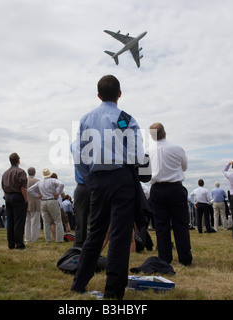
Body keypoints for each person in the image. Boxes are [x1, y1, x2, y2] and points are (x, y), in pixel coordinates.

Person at [71, 75, 146, 299]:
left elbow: (79, 154)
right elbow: (138, 154)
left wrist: (89, 178)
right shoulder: (124, 118)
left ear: (98, 95)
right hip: (121, 178)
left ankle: (79, 284)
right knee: (120, 235)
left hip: (97, 179)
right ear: (120, 94)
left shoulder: (85, 119)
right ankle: (113, 292)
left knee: (94, 233)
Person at [147, 122, 193, 266]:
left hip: (156, 189)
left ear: (152, 136)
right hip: (175, 188)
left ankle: (164, 258)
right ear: (165, 132)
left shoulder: (147, 152)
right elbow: (184, 167)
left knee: (161, 226)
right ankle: (185, 258)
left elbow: (144, 174)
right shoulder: (177, 148)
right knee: (181, 224)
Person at [28, 169, 65, 243]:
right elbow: (61, 184)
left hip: (43, 202)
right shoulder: (53, 180)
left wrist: (38, 195)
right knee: (57, 221)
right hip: (52, 201)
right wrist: (57, 192)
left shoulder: (40, 182)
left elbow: (30, 189)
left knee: (46, 222)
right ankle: (59, 239)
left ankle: (48, 240)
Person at [1, 153, 28, 250]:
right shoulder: (21, 172)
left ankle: (11, 244)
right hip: (18, 196)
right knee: (19, 221)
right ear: (18, 160)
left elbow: (3, 187)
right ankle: (19, 243)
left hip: (8, 197)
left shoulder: (5, 173)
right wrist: (25, 199)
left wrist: (7, 196)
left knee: (10, 221)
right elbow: (23, 187)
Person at [70, 140, 91, 248]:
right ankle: (92, 248)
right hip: (94, 186)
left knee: (80, 223)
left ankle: (78, 249)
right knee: (96, 223)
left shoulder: (74, 145)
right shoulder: (97, 144)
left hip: (81, 187)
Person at [25, 167, 41, 243]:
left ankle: (27, 238)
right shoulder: (37, 181)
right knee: (35, 222)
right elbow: (40, 191)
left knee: (27, 222)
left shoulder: (24, 180)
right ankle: (34, 239)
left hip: (26, 202)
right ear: (34, 173)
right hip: (35, 203)